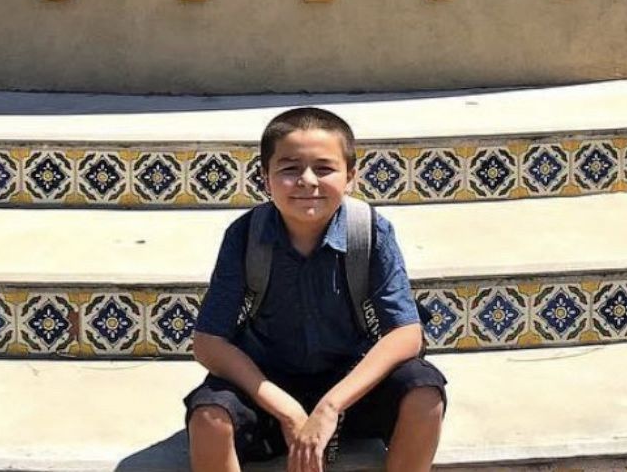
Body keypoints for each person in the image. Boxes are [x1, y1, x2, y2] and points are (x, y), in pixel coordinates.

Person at [185, 107, 446, 472]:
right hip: (267, 383)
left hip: (352, 385)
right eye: (290, 169)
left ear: (351, 177)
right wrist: (287, 410)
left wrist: (330, 407)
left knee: (424, 393)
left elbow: (405, 333)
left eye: (324, 169)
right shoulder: (245, 236)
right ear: (265, 178)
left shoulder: (369, 232)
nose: (307, 181)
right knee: (209, 418)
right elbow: (208, 341)